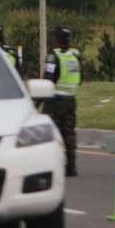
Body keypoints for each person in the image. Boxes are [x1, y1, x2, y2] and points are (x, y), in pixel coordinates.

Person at [43, 26, 82, 177]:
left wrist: (37, 102)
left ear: (56, 40)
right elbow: (80, 78)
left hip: (55, 100)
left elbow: (48, 78)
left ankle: (49, 167)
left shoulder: (54, 56)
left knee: (49, 134)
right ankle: (71, 166)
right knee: (69, 133)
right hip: (71, 99)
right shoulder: (75, 55)